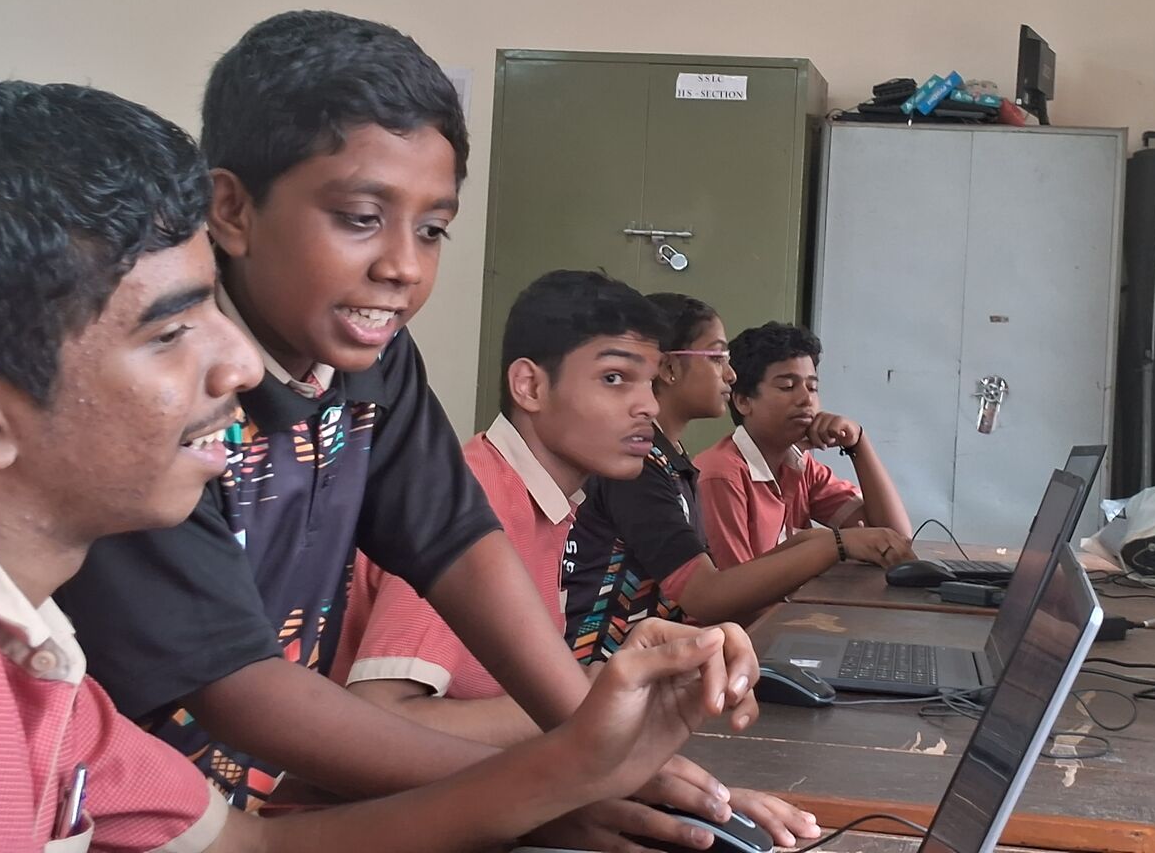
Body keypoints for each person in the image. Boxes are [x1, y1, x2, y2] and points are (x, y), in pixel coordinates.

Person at [0, 79, 744, 853]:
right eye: (170, 332)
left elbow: (245, 844)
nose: (238, 367)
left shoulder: (24, 635)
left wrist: (575, 767)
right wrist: (568, 770)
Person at [54, 12, 814, 850]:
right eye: (358, 217)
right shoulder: (157, 399)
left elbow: (455, 543)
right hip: (116, 817)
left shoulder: (371, 358)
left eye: (431, 229)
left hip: (240, 824)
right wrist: (557, 783)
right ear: (231, 210)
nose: (403, 267)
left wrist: (609, 756)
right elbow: (237, 683)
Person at [335, 269, 666, 745]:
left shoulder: (548, 505)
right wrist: (593, 703)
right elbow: (379, 722)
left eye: (651, 383)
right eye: (614, 378)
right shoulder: (479, 499)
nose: (649, 406)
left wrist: (593, 691)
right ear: (529, 386)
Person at [563, 295, 912, 663]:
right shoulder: (639, 468)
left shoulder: (670, 460)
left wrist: (818, 539)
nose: (730, 375)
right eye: (717, 358)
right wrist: (834, 545)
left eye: (812, 386)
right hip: (605, 671)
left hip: (656, 663)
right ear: (669, 368)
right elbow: (708, 597)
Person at [695, 323, 914, 577]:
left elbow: (894, 539)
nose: (806, 399)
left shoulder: (801, 466)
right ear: (743, 401)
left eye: (812, 387)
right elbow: (735, 589)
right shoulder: (721, 475)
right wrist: (827, 545)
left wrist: (858, 443)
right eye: (788, 386)